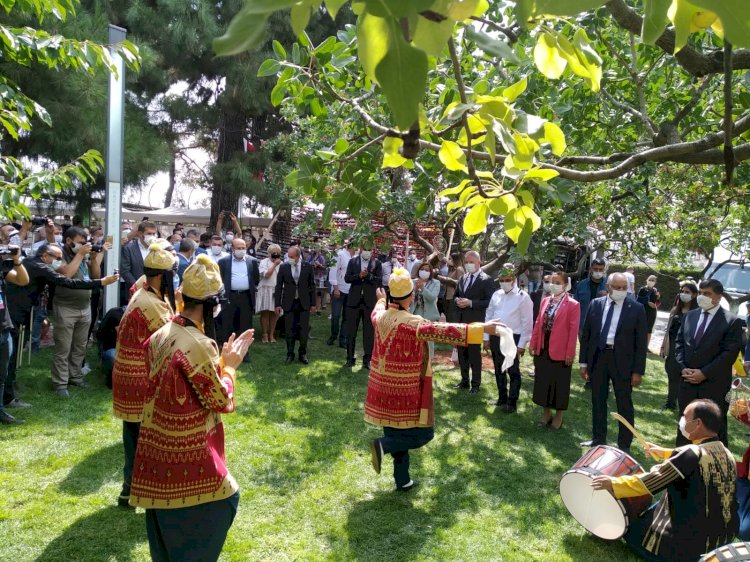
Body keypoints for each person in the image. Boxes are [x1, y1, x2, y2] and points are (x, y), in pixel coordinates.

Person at [129, 254, 253, 561]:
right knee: (225, 503)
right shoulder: (199, 343)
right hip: (188, 453)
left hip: (156, 449)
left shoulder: (164, 332)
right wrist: (231, 367)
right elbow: (221, 400)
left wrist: (219, 364)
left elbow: (188, 384)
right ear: (213, 305)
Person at [365, 269, 501, 491]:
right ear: (410, 296)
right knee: (424, 433)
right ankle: (382, 446)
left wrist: (381, 300)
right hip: (404, 388)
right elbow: (445, 331)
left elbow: (377, 308)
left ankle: (403, 479)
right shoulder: (413, 323)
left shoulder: (379, 317)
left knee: (395, 431)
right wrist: (482, 328)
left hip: (381, 386)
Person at [592, 399, 738, 562]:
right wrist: (665, 453)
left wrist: (612, 483)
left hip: (690, 546)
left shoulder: (691, 454)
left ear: (697, 424)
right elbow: (692, 459)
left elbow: (650, 482)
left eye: (685, 416)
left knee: (632, 530)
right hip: (723, 540)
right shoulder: (727, 453)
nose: (681, 420)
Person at [5, 243, 118, 408]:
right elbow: (68, 281)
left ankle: (9, 389)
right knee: (12, 353)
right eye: (57, 258)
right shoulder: (39, 266)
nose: (59, 261)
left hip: (25, 310)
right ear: (45, 256)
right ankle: (9, 396)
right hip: (16, 311)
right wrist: (101, 282)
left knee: (13, 353)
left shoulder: (32, 263)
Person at [111, 243, 177, 508]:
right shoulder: (152, 304)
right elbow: (173, 338)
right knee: (147, 440)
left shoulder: (143, 289)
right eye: (172, 273)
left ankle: (128, 492)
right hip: (140, 379)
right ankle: (146, 492)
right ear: (161, 276)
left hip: (128, 375)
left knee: (133, 438)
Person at [579, 272, 647, 453]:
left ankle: (624, 444)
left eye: (624, 288)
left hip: (623, 361)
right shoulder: (596, 304)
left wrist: (638, 371)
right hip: (599, 357)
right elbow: (586, 336)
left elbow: (641, 343)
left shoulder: (637, 308)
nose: (621, 291)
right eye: (617, 287)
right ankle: (598, 439)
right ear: (608, 287)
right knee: (598, 400)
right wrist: (583, 362)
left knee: (624, 403)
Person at [674, 278, 742, 446]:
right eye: (701, 293)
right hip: (687, 382)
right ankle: (682, 463)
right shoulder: (690, 316)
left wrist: (704, 373)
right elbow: (679, 343)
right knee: (685, 425)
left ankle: (713, 466)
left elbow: (729, 354)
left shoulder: (732, 321)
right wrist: (683, 368)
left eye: (707, 294)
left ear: (718, 297)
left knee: (714, 429)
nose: (702, 297)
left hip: (714, 385)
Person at [51, 227, 111, 397]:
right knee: (63, 347)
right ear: (69, 241)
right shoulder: (59, 254)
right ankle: (60, 383)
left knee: (80, 346)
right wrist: (80, 254)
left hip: (84, 307)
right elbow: (67, 274)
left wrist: (92, 259)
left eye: (86, 242)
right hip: (65, 306)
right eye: (81, 242)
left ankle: (75, 377)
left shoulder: (83, 255)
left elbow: (95, 276)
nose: (84, 245)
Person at [530, 271, 580, 429]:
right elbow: (538, 322)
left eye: (558, 282)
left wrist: (570, 353)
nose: (554, 285)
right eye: (552, 281)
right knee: (543, 381)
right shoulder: (545, 300)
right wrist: (534, 342)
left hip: (560, 349)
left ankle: (559, 416)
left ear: (565, 285)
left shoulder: (573, 304)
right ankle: (546, 413)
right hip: (543, 347)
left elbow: (573, 331)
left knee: (559, 384)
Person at [484, 264, 533, 412]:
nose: (504, 282)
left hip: (513, 337)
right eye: (502, 279)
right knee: (499, 369)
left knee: (512, 370)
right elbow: (489, 315)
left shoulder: (523, 297)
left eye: (507, 279)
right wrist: (486, 336)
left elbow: (527, 322)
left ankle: (512, 401)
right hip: (496, 335)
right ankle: (502, 397)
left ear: (514, 279)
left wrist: (522, 344)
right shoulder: (496, 294)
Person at [453, 250, 495, 394]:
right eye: (466, 262)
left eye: (471, 262)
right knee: (461, 353)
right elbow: (456, 295)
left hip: (476, 323)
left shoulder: (487, 280)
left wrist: (471, 303)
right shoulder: (462, 278)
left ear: (479, 262)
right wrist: (457, 300)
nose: (468, 264)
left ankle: (475, 384)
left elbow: (489, 302)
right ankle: (464, 380)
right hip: (461, 322)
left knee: (474, 354)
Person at [0, 245, 29, 425]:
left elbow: (23, 280)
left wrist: (17, 261)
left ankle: (1, 411)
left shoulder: (2, 271)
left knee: (2, 375)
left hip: (3, 328)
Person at [344, 241, 382, 370]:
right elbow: (347, 278)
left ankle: (367, 359)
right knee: (351, 331)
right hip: (353, 301)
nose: (367, 251)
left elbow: (379, 280)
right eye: (365, 248)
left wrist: (369, 276)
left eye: (369, 249)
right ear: (360, 249)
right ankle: (350, 358)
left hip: (369, 302)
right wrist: (359, 276)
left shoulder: (377, 263)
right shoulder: (353, 262)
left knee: (369, 332)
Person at [660, 281, 698, 411]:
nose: (684, 294)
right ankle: (670, 402)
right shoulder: (675, 310)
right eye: (682, 291)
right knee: (672, 374)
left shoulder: (697, 313)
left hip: (687, 350)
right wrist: (663, 346)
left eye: (687, 292)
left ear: (694, 295)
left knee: (685, 379)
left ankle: (686, 406)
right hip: (673, 348)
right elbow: (668, 330)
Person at [275, 245, 315, 364]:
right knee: (289, 329)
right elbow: (279, 286)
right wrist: (277, 304)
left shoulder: (307, 266)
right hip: (289, 302)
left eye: (292, 256)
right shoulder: (284, 267)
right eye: (288, 256)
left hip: (304, 303)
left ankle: (302, 353)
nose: (289, 258)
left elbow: (312, 285)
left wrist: (313, 304)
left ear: (298, 256)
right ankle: (290, 353)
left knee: (303, 330)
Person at [217, 237, 259, 347]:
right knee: (228, 323)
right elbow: (220, 278)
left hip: (246, 297)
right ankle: (228, 349)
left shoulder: (252, 261)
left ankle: (244, 352)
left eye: (243, 248)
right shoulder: (224, 262)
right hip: (230, 296)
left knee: (245, 324)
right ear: (232, 248)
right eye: (238, 248)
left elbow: (255, 279)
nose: (241, 250)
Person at [120, 220, 157, 305]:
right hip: (134, 294)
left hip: (153, 294)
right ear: (140, 234)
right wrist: (138, 286)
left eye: (154, 234)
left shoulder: (157, 249)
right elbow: (125, 271)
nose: (152, 236)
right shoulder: (128, 248)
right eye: (149, 234)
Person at [409, 262, 441, 358]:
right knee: (415, 338)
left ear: (430, 272)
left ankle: (429, 361)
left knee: (428, 340)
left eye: (427, 270)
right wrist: (415, 288)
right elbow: (409, 298)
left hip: (429, 315)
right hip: (415, 314)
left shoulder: (436, 283)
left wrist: (422, 288)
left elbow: (432, 298)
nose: (424, 271)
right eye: (422, 269)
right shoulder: (412, 281)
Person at [328, 241, 354, 347]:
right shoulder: (339, 255)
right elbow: (333, 271)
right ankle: (334, 335)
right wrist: (336, 288)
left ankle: (343, 339)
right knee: (336, 315)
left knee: (347, 317)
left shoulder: (355, 258)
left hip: (350, 291)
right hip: (339, 290)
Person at [573, 257, 609, 333]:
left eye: (601, 269)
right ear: (591, 269)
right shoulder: (581, 284)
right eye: (596, 269)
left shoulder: (609, 285)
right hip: (583, 323)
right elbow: (575, 305)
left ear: (604, 270)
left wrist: (608, 296)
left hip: (601, 325)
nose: (598, 271)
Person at [257, 244, 282, 344]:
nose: (275, 255)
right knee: (265, 313)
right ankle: (264, 334)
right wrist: (275, 264)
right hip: (265, 289)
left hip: (277, 290)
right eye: (273, 253)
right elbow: (266, 275)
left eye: (277, 253)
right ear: (269, 254)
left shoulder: (283, 264)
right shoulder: (263, 262)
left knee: (275, 313)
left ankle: (271, 334)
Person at [96, 305, 124, 389]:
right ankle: (110, 377)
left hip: (120, 347)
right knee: (113, 356)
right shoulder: (116, 314)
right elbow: (122, 336)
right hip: (109, 347)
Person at [636, 274, 660, 347]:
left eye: (653, 280)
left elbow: (657, 302)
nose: (651, 281)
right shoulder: (642, 289)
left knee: (649, 330)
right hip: (643, 311)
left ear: (655, 282)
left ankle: (646, 346)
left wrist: (658, 298)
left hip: (651, 312)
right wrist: (647, 302)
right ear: (647, 280)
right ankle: (637, 343)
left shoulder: (655, 290)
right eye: (650, 280)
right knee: (639, 327)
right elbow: (638, 299)